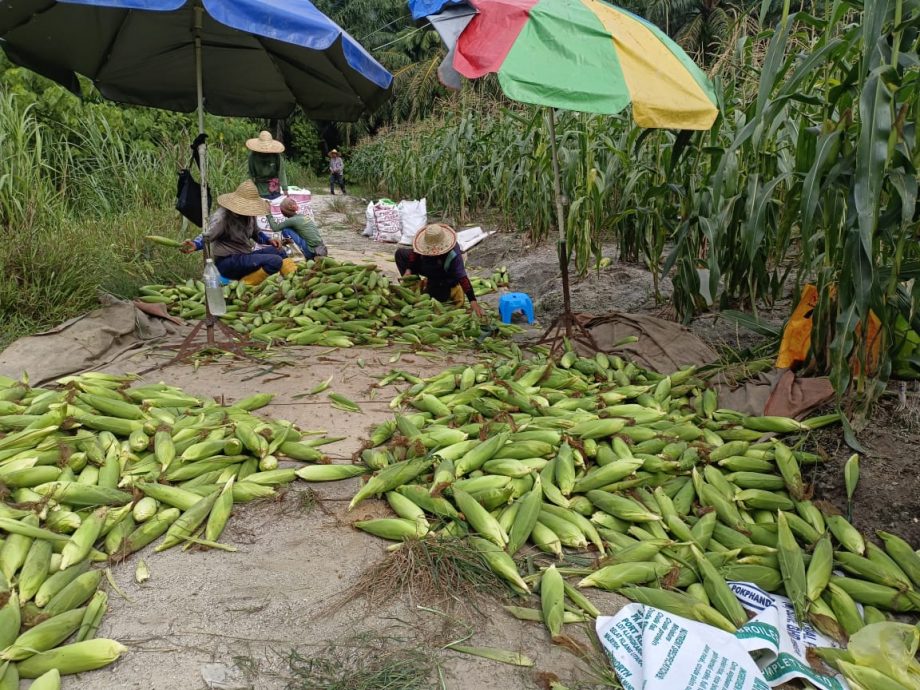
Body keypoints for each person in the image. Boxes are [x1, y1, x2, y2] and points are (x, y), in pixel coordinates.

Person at [181, 180, 295, 285]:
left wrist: (269, 240)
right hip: (227, 262)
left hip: (244, 255)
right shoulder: (222, 217)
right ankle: (243, 285)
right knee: (275, 261)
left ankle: (294, 279)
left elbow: (256, 233)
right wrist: (195, 244)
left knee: (279, 251)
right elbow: (208, 235)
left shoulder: (249, 215)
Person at [395, 223, 483, 317]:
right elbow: (415, 253)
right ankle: (414, 285)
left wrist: (473, 301)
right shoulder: (422, 245)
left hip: (443, 275)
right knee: (400, 254)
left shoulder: (453, 254)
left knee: (437, 297)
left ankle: (446, 287)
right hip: (426, 266)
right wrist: (408, 269)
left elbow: (462, 277)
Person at [247, 131, 288, 199]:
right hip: (259, 190)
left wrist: (285, 188)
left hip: (274, 189)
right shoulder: (253, 156)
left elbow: (281, 171)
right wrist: (250, 189)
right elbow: (250, 174)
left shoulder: (276, 156)